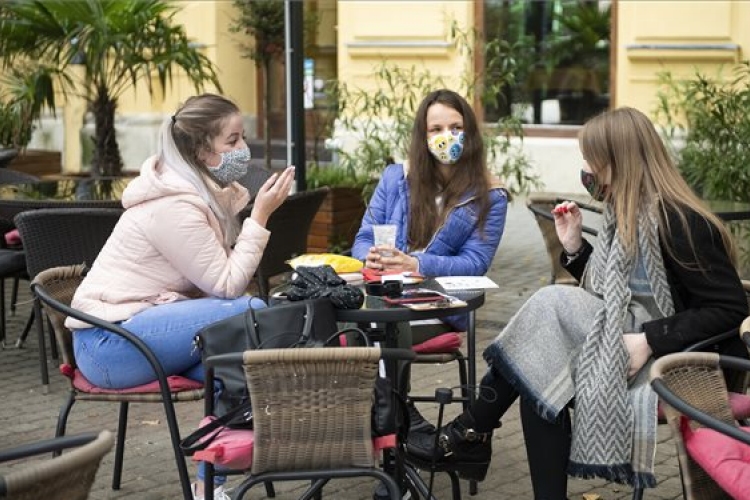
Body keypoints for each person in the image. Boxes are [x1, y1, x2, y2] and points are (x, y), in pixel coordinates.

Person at [408, 106, 749, 499]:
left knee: (549, 308)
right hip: (626, 343)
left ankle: (468, 433)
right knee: (538, 375)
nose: (585, 166)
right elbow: (612, 296)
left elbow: (730, 311)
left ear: (616, 160)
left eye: (591, 158)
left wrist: (649, 340)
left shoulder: (681, 222)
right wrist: (575, 248)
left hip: (682, 363)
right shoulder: (624, 214)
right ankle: (470, 433)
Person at [64, 93, 295, 500]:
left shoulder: (206, 193)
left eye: (243, 139)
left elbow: (217, 288)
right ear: (203, 151)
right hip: (109, 344)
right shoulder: (174, 206)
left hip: (143, 332)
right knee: (254, 314)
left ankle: (208, 488)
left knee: (232, 363)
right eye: (233, 141)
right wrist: (259, 217)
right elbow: (227, 288)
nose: (245, 151)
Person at [352, 89, 508, 440]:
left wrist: (417, 263)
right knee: (351, 326)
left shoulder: (490, 194)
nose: (446, 137)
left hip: (434, 305)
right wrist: (370, 256)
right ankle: (396, 418)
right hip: (383, 294)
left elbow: (476, 263)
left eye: (455, 127)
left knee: (380, 332)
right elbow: (362, 239)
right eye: (435, 129)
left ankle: (389, 429)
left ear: (469, 134)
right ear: (422, 137)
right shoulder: (396, 178)